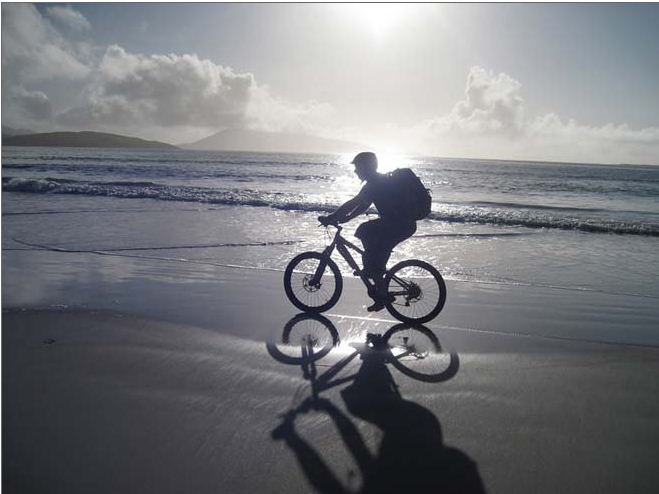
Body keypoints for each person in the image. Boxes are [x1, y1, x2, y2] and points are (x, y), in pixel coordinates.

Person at [319, 152, 416, 312]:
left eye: (357, 167)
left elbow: (354, 202)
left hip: (399, 225)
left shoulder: (375, 183)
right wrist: (347, 218)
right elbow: (363, 205)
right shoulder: (378, 182)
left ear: (366, 167)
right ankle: (375, 273)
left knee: (366, 234)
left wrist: (332, 217)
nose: (356, 171)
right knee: (367, 235)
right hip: (400, 224)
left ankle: (381, 290)